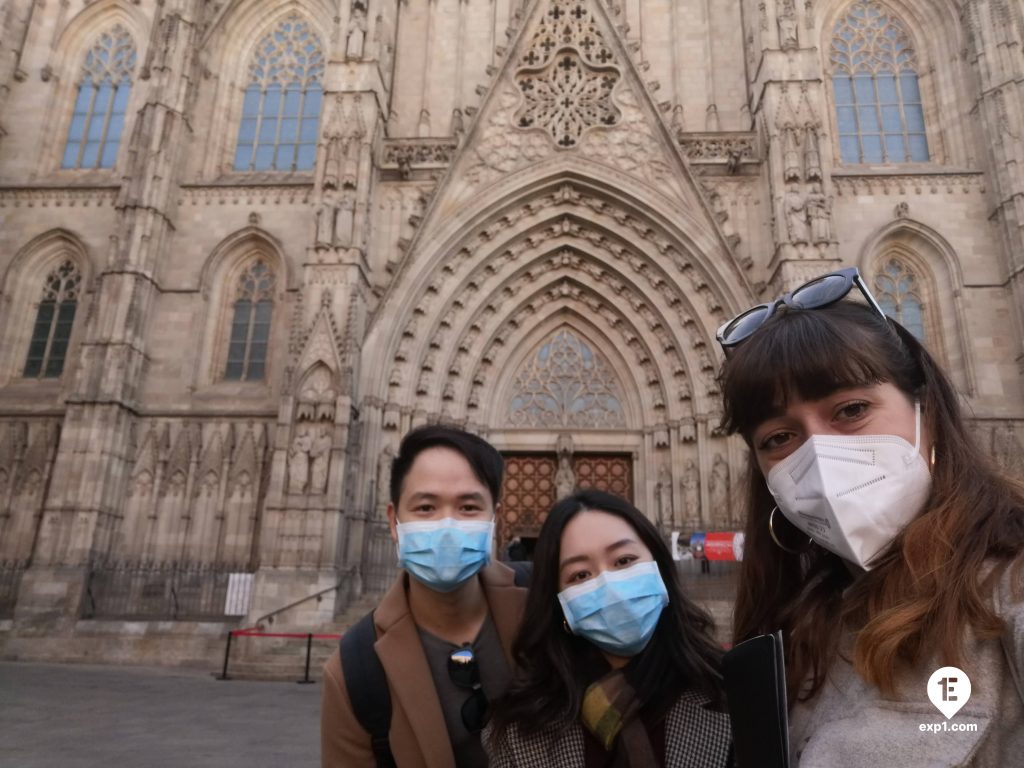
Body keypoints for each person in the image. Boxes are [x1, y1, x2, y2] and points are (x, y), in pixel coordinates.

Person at [715, 266, 1024, 766]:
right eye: (778, 438)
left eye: (852, 409)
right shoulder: (796, 630)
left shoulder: (1010, 586)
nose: (819, 453)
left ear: (925, 408)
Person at [321, 425, 528, 768]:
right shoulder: (354, 673)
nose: (447, 525)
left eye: (468, 507)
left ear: (495, 518)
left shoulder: (542, 608)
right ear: (393, 521)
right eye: (426, 507)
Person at [486, 490, 732, 767]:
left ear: (659, 566)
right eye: (580, 575)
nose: (609, 586)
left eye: (624, 561)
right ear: (560, 605)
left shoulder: (735, 695)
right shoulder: (518, 732)